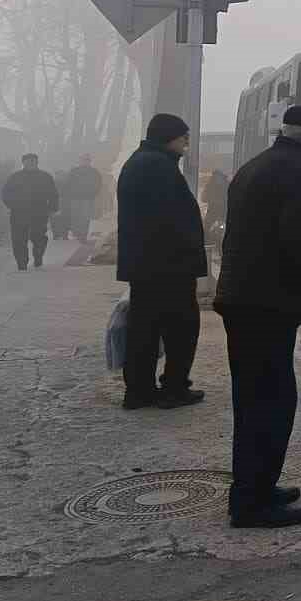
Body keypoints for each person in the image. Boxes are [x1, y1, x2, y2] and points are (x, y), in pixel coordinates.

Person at [215, 105, 301, 530]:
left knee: (253, 399)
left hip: (244, 298)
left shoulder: (256, 166)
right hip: (267, 302)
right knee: (272, 401)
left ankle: (257, 487)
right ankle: (252, 503)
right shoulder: (298, 174)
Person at [117, 114, 209, 410]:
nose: (186, 144)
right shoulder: (158, 167)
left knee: (144, 329)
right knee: (181, 329)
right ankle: (174, 389)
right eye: (184, 138)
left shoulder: (141, 162)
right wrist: (189, 259)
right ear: (169, 137)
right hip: (168, 267)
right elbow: (172, 221)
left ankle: (140, 391)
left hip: (147, 265)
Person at [2, 153, 58, 271]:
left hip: (39, 212)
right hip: (18, 213)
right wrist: (12, 205)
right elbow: (6, 193)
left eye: (33, 161)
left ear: (37, 162)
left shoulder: (45, 176)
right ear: (23, 163)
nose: (30, 163)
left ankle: (38, 257)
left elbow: (53, 194)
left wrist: (53, 208)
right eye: (28, 161)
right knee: (18, 239)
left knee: (39, 237)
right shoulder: (15, 177)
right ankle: (21, 263)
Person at [62, 154, 104, 241]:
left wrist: (94, 194)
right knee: (75, 216)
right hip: (75, 198)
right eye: (84, 160)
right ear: (80, 161)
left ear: (89, 161)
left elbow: (98, 184)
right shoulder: (74, 171)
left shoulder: (94, 172)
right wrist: (68, 195)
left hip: (87, 198)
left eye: (87, 160)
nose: (85, 161)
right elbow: (67, 183)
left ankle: (83, 234)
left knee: (85, 217)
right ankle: (77, 232)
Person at [202, 169, 230, 239]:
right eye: (216, 177)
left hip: (224, 211)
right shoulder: (210, 185)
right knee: (206, 227)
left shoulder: (227, 185)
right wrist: (212, 200)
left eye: (219, 177)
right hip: (213, 210)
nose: (218, 179)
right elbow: (204, 198)